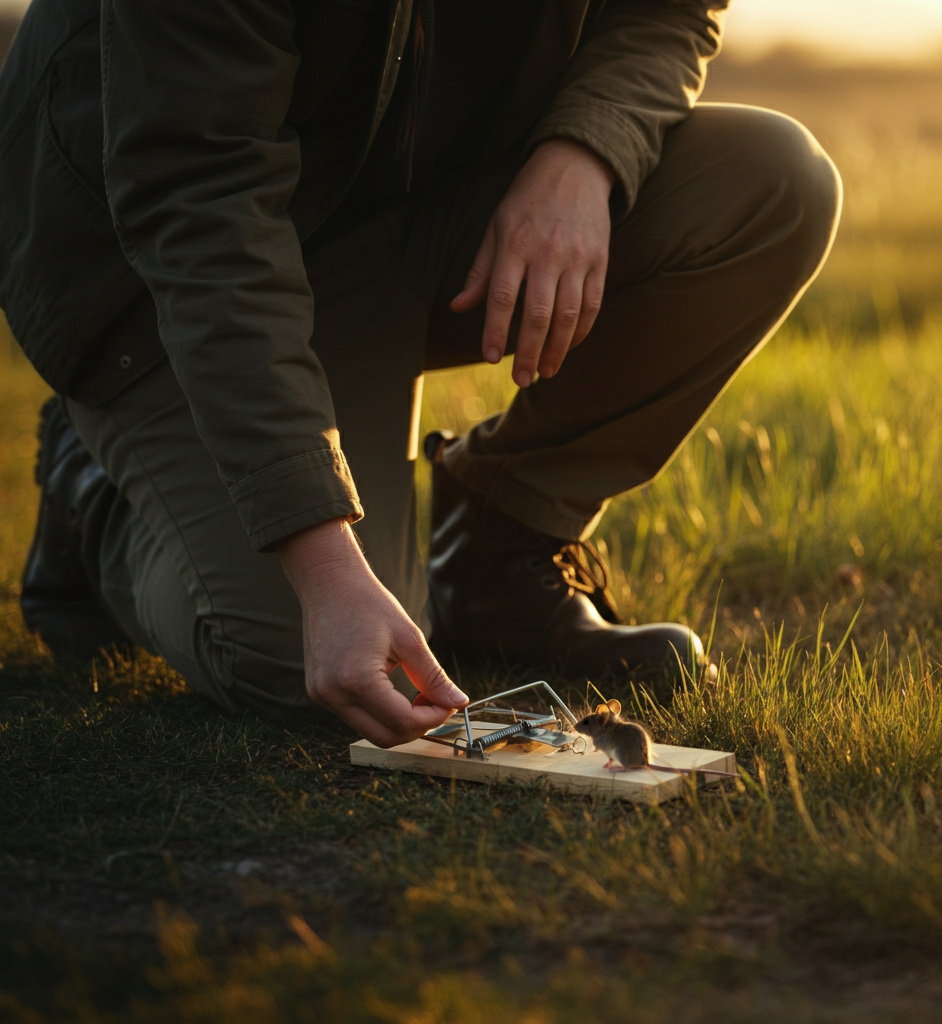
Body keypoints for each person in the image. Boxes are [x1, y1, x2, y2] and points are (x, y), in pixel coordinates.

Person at [0, 0, 841, 746]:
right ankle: (94, 491)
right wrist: (323, 562)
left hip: (420, 201)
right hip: (155, 269)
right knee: (307, 667)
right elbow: (200, 205)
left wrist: (583, 153)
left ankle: (499, 558)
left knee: (773, 185)